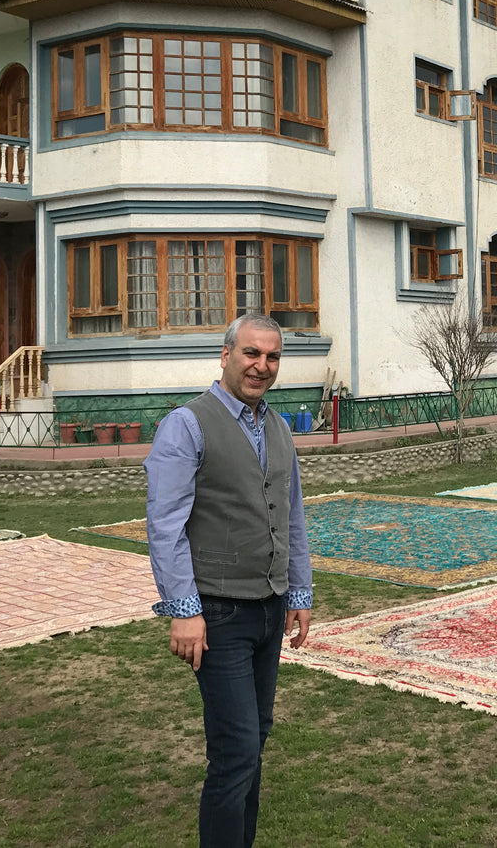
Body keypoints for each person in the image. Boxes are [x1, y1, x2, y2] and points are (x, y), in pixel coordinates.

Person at [145, 314, 312, 847]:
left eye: (272, 357)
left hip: (268, 606)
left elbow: (291, 515)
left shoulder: (280, 427)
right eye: (251, 354)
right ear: (225, 354)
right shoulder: (187, 424)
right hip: (216, 613)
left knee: (254, 741)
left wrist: (299, 591)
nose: (262, 366)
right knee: (236, 748)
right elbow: (165, 526)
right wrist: (184, 612)